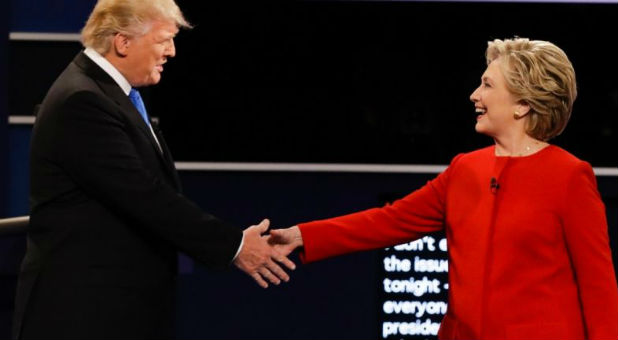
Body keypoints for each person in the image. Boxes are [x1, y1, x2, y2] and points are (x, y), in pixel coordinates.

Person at [270, 37, 618, 339]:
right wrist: (303, 235)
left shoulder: (570, 176)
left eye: (487, 85)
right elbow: (388, 222)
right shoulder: (465, 169)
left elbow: (599, 287)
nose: (474, 95)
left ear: (523, 103)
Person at [12, 0, 295, 339]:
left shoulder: (112, 94)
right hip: (83, 313)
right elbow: (146, 196)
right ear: (123, 42)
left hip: (115, 309)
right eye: (164, 40)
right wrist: (235, 246)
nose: (171, 52)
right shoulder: (82, 101)